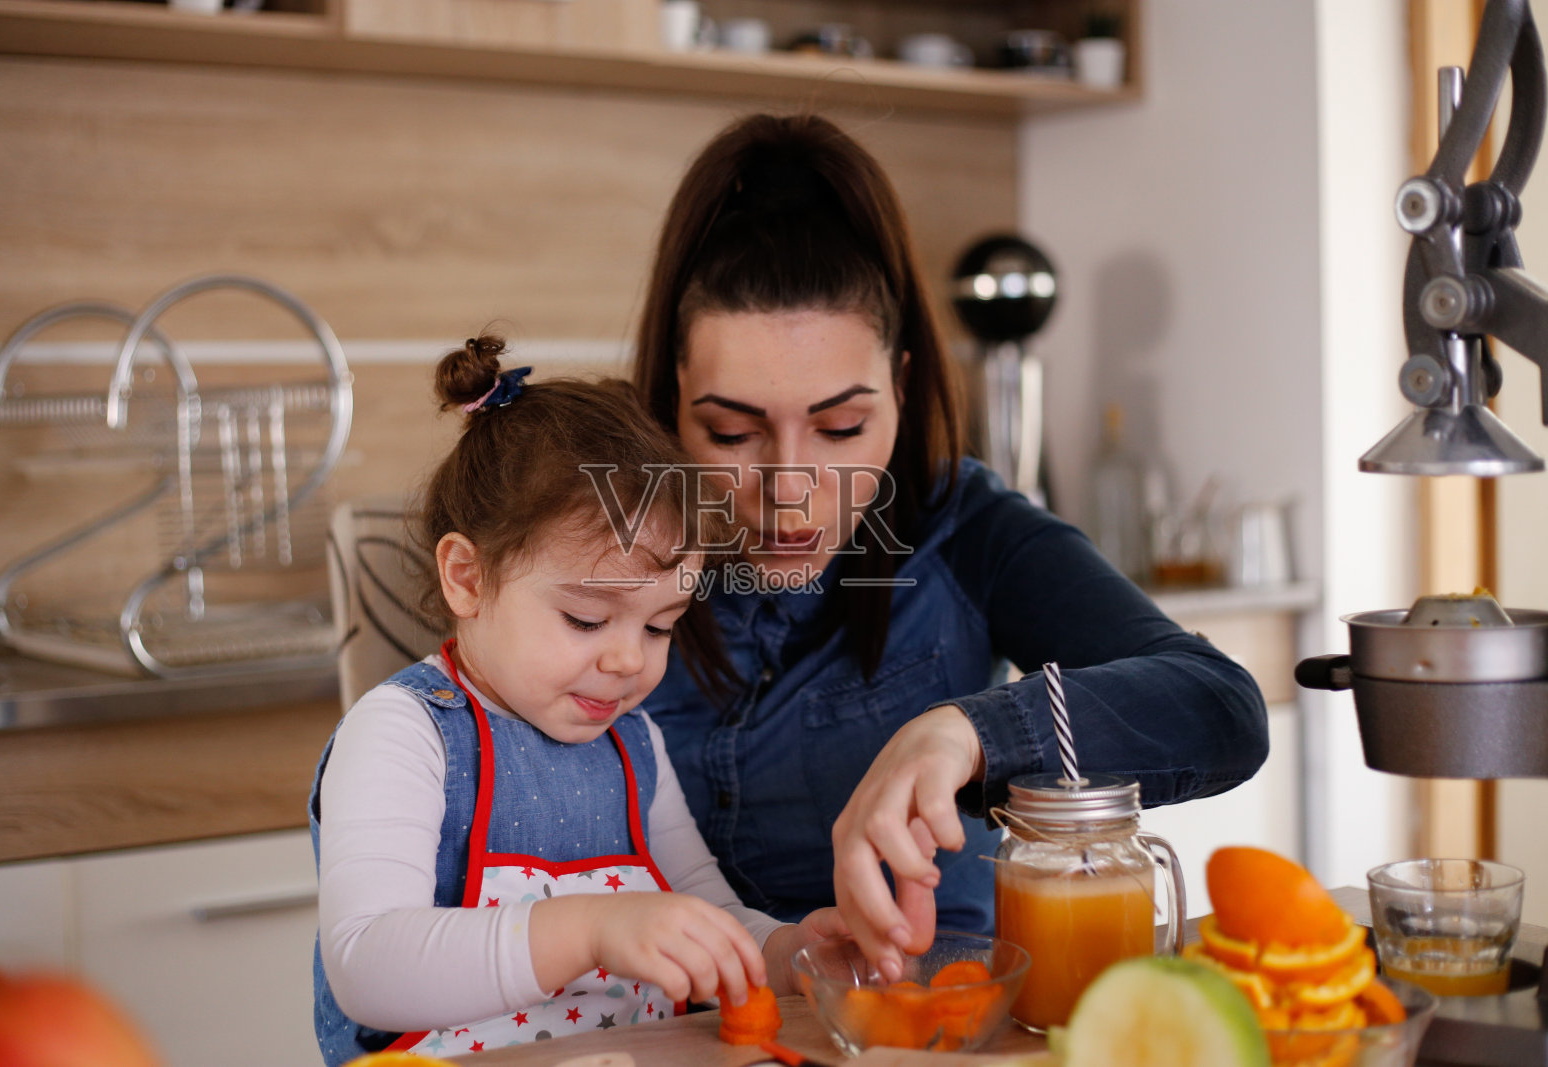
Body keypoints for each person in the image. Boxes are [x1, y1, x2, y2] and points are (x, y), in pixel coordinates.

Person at [631, 113, 1270, 981]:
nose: (788, 487)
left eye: (841, 426)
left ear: (898, 389)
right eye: (732, 432)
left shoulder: (961, 525)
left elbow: (1222, 707)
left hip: (935, 1023)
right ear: (673, 399)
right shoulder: (606, 542)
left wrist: (966, 732)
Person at [308, 334, 841, 1065]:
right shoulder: (404, 732)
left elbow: (703, 912)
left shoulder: (633, 744)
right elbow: (365, 962)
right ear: (467, 577)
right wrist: (590, 928)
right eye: (586, 619)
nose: (628, 659)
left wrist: (784, 952)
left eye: (661, 625)